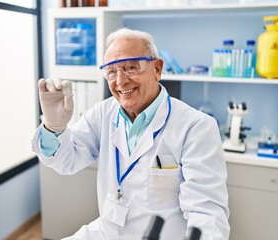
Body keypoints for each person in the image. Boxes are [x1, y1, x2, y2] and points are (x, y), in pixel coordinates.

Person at [32, 28, 230, 240]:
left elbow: (207, 215)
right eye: (111, 72)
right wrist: (54, 127)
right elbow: (65, 161)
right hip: (107, 232)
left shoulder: (196, 127)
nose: (120, 81)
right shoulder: (103, 113)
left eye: (130, 68)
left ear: (157, 68)